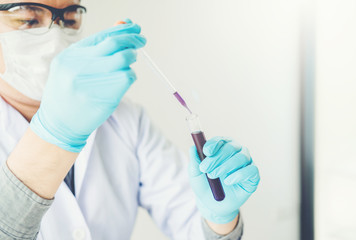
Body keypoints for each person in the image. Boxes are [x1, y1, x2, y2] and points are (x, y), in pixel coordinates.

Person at [0, 0, 260, 239]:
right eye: (28, 20)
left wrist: (219, 218)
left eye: (69, 20)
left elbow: (193, 224)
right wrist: (54, 137)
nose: (55, 36)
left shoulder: (124, 120)